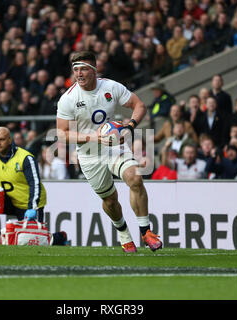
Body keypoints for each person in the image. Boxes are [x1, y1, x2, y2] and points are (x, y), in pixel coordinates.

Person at [56, 51, 162, 253]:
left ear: (94, 70)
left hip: (114, 145)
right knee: (110, 200)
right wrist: (94, 137)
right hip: (88, 153)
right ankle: (123, 233)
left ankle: (146, 231)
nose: (79, 74)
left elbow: (139, 105)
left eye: (84, 69)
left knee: (135, 178)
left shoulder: (111, 87)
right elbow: (61, 134)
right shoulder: (68, 99)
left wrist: (130, 126)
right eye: (76, 69)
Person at [0, 126, 67, 245]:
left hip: (28, 204)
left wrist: (32, 207)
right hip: (10, 201)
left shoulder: (25, 158)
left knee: (31, 240)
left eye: (2, 139)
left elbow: (35, 183)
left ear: (10, 140)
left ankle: (59, 238)